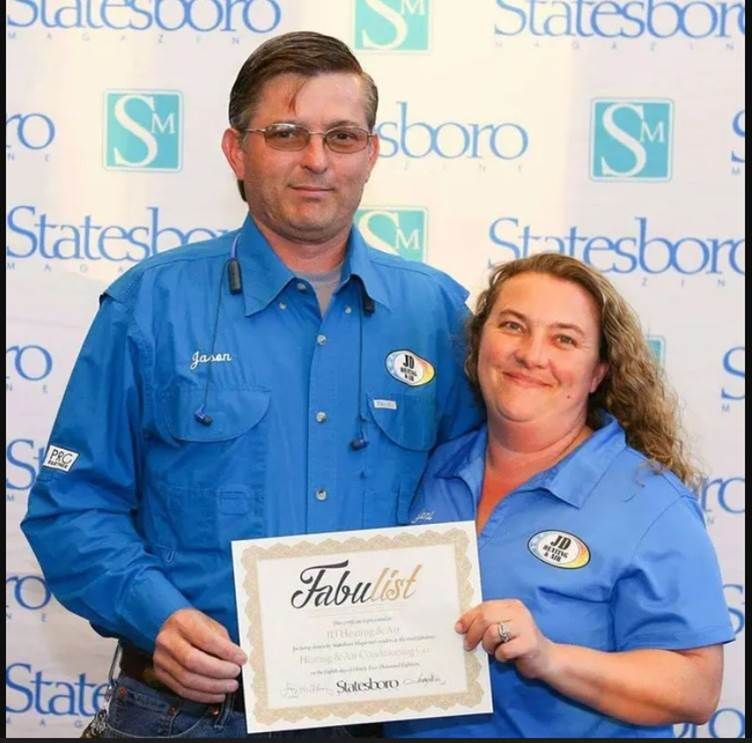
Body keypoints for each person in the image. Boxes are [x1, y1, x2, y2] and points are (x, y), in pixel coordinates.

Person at [21, 31, 480, 739]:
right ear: (238, 151)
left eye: (343, 135)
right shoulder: (151, 306)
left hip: (383, 717)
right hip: (189, 716)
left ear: (372, 153)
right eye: (287, 133)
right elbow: (71, 505)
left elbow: (491, 501)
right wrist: (159, 616)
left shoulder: (439, 315)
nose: (317, 159)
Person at [386, 253, 734, 739]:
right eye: (512, 326)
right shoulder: (431, 469)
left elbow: (696, 689)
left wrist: (549, 657)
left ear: (597, 373)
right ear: (478, 342)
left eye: (564, 339)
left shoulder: (649, 502)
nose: (531, 354)